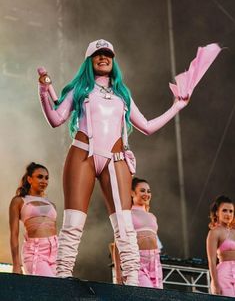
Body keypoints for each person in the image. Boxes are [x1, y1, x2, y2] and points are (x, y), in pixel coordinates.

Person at [37, 38, 208, 285]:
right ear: (89, 60)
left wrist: (177, 106)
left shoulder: (122, 94)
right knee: (73, 221)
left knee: (125, 225)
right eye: (98, 54)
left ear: (113, 60)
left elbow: (147, 127)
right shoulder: (80, 89)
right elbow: (55, 118)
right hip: (83, 153)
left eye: (108, 54)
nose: (104, 57)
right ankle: (62, 277)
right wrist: (43, 90)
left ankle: (133, 283)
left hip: (116, 159)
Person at [9, 162, 57, 276]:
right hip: (36, 253)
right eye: (40, 177)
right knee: (47, 288)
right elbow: (14, 234)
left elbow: (55, 231)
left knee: (60, 290)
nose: (44, 181)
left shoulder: (51, 204)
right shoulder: (19, 201)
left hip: (55, 253)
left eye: (46, 178)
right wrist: (16, 264)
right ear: (29, 179)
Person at [206, 195, 235, 297]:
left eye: (231, 211)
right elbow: (212, 261)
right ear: (217, 212)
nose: (228, 214)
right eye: (225, 210)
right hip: (224, 275)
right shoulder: (214, 233)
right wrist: (215, 283)